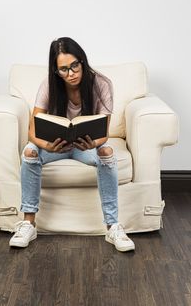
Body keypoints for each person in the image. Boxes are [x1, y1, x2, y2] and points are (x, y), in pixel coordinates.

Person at [9, 37, 135, 252]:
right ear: (56, 71)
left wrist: (92, 143)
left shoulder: (102, 84)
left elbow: (103, 133)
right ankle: (28, 224)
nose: (71, 74)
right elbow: (32, 130)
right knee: (30, 151)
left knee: (106, 151)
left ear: (82, 61)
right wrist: (46, 146)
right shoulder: (49, 85)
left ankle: (113, 226)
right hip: (55, 148)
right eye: (64, 70)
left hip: (84, 148)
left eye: (74, 66)